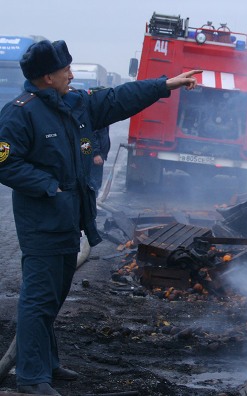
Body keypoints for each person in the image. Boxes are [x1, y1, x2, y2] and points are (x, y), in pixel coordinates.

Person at [0, 39, 201, 396]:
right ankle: (31, 377)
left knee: (56, 293)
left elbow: (118, 98)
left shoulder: (73, 104)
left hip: (69, 217)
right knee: (38, 297)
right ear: (47, 77)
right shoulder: (21, 112)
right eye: (65, 70)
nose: (71, 74)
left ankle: (48, 361)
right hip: (42, 221)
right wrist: (49, 187)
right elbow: (5, 162)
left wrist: (165, 84)